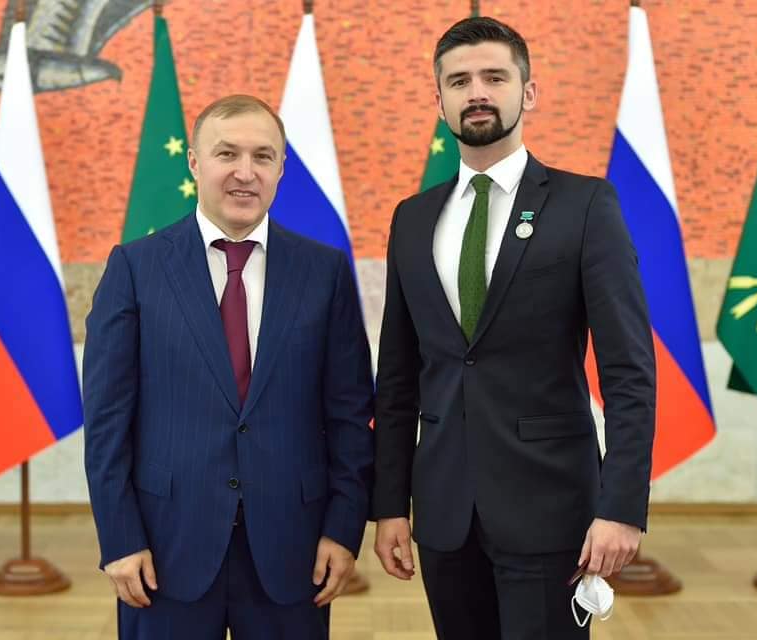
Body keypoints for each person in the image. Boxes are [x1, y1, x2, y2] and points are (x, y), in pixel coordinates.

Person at [372, 17, 656, 639]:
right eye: (459, 81)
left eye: (494, 77)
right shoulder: (412, 219)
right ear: (439, 100)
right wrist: (389, 504)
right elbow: (396, 378)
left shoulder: (586, 206)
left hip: (552, 510)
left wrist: (622, 507)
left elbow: (629, 372)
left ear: (527, 93)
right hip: (444, 512)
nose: (477, 92)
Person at [84, 94, 374, 639]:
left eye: (263, 156)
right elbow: (106, 421)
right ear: (195, 163)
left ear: (281, 168)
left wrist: (343, 528)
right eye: (227, 154)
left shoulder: (324, 271)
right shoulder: (136, 268)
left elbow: (350, 415)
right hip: (164, 550)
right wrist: (120, 538)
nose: (245, 172)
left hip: (294, 548)